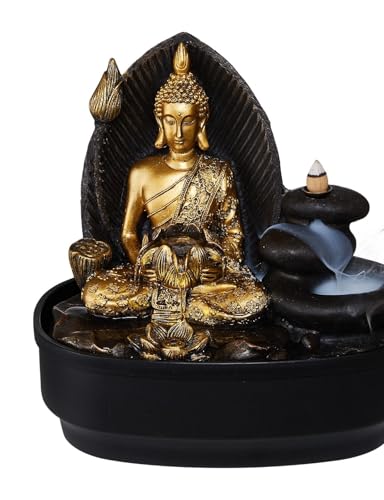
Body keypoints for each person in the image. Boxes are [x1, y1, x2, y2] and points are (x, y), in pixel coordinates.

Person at [82, 43, 268, 329]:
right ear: (160, 121)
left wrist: (214, 266)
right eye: (170, 121)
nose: (178, 132)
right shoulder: (143, 172)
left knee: (254, 298)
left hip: (204, 278)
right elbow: (129, 234)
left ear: (201, 122)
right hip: (155, 274)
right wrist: (144, 265)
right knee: (96, 293)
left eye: (187, 121)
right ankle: (190, 310)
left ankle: (181, 306)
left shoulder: (219, 172)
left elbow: (234, 238)